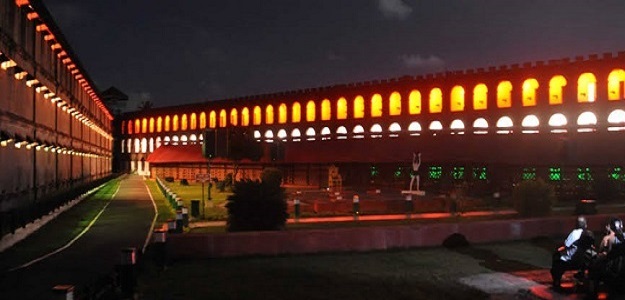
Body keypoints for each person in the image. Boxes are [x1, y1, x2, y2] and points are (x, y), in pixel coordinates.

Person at [551, 215, 594, 289]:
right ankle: (581, 274)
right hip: (583, 260)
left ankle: (556, 280)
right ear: (586, 225)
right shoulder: (589, 234)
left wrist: (558, 250)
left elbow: (566, 245)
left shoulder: (574, 233)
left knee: (556, 256)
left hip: (571, 260)